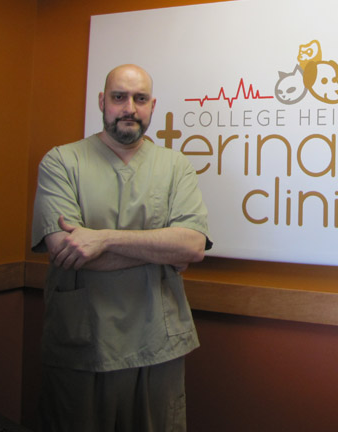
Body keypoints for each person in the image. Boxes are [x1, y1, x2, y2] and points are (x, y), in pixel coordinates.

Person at [31, 64, 211, 432]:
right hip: (84, 340)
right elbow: (66, 251)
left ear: (152, 106)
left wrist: (103, 239)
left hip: (157, 342)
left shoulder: (175, 166)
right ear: (102, 101)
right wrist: (160, 249)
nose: (129, 107)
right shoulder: (62, 162)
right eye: (119, 97)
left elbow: (192, 246)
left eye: (140, 98)